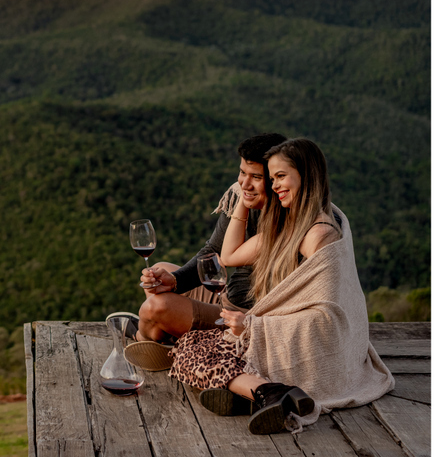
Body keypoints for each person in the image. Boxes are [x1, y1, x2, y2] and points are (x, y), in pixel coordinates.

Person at [168, 138, 394, 435]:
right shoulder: (289, 225)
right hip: (268, 326)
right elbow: (228, 255)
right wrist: (242, 201)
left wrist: (253, 327)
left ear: (306, 174)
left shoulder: (319, 235)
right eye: (272, 178)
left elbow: (325, 317)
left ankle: (268, 393)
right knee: (191, 346)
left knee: (194, 351)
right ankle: (263, 394)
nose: (274, 186)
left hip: (302, 343)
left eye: (281, 176)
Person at [123, 133, 286, 371]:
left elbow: (229, 259)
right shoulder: (243, 198)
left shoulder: (287, 219)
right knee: (163, 271)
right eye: (242, 173)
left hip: (243, 318)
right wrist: (175, 281)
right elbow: (212, 251)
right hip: (225, 297)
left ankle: (145, 338)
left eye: (256, 177)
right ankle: (170, 336)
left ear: (275, 179)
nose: (245, 184)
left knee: (155, 308)